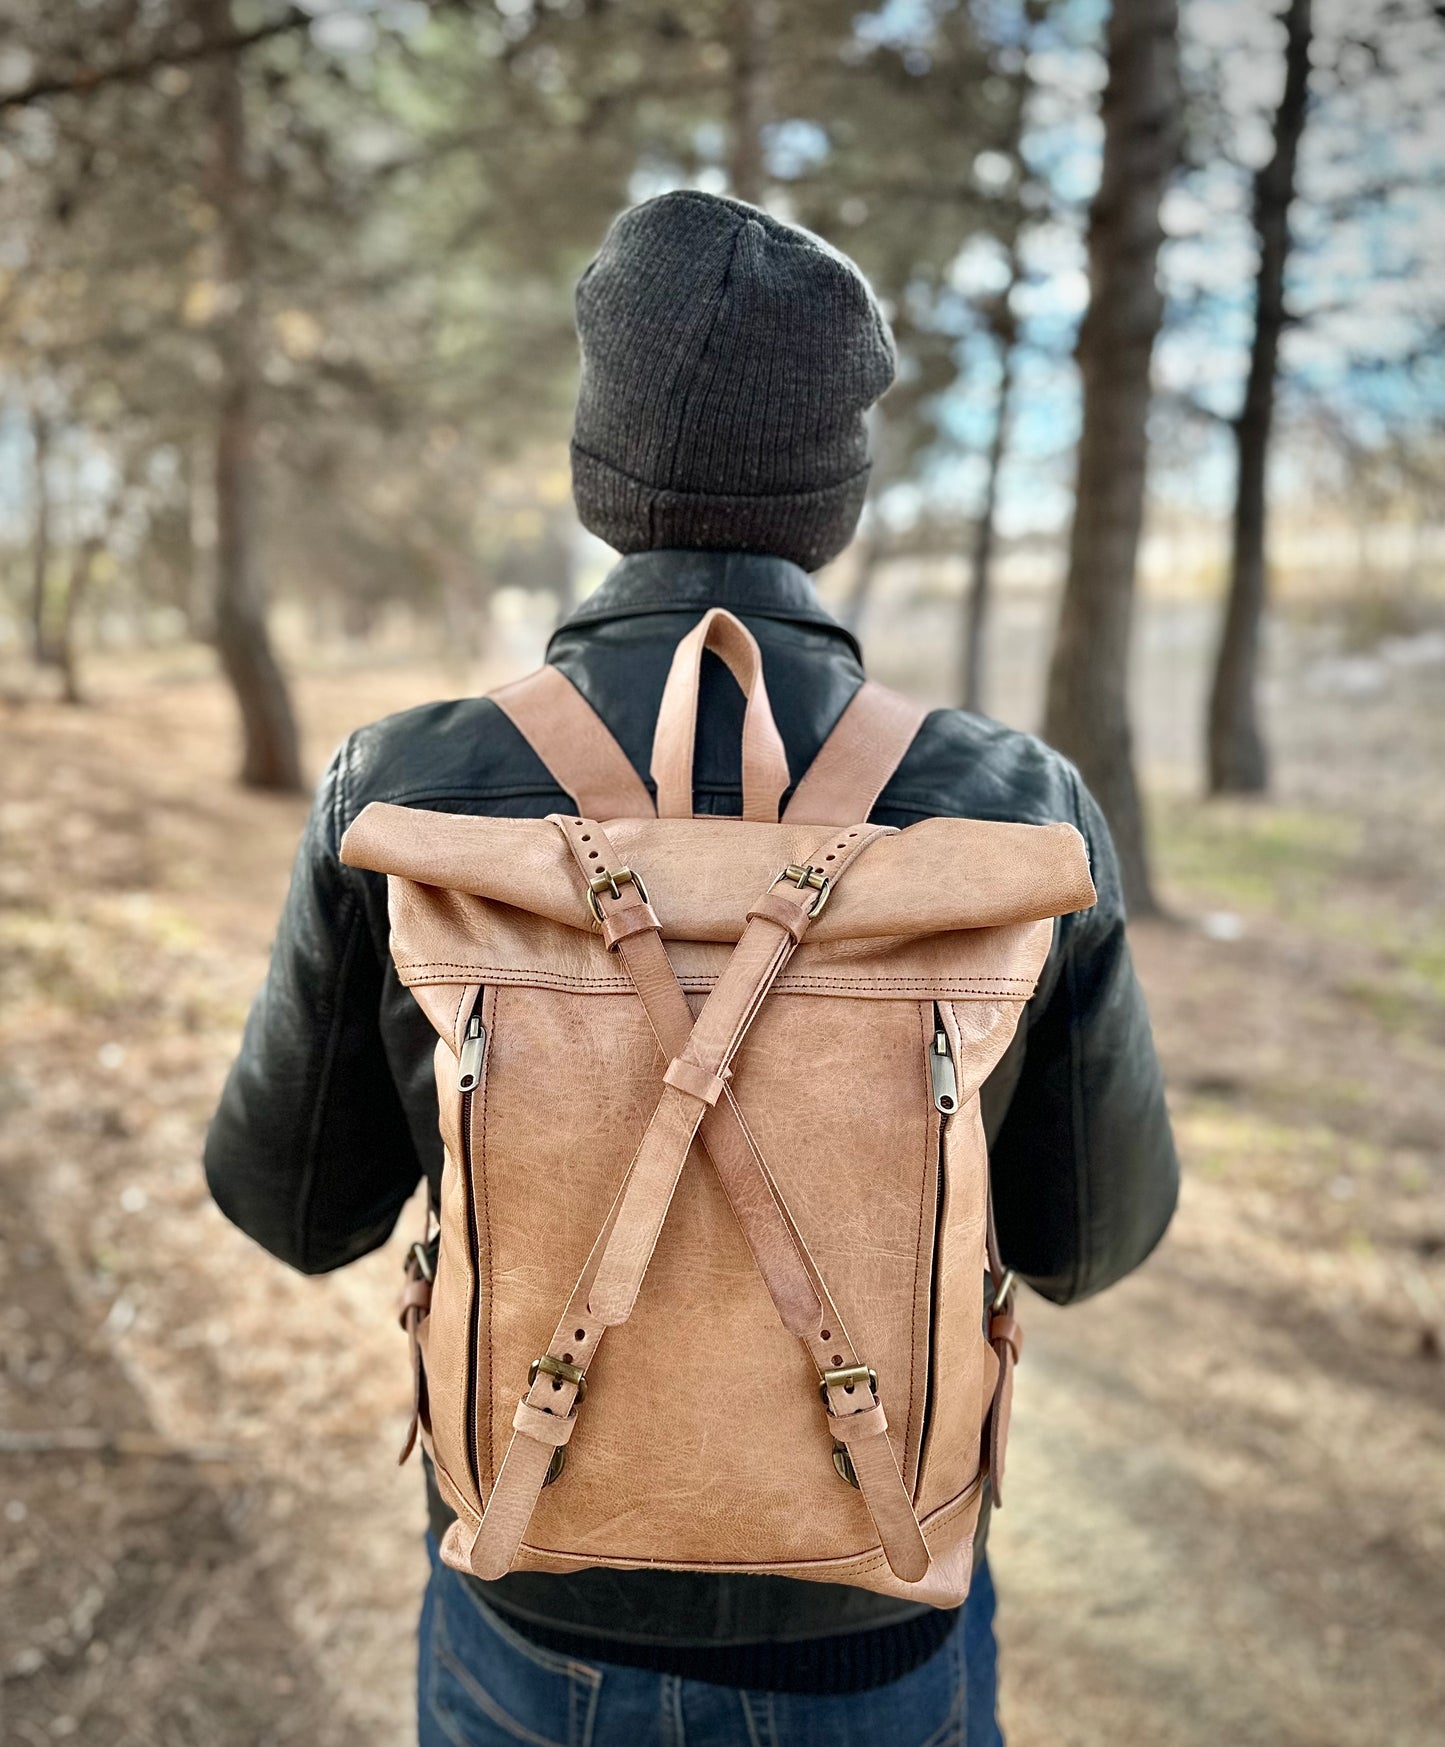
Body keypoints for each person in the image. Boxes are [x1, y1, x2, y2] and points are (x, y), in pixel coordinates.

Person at [206, 190, 1178, 1747]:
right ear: (836, 491)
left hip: (526, 1590)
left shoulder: (403, 785)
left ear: (599, 468)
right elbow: (1089, 1239)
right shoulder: (1013, 803)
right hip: (879, 1606)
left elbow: (294, 1209)